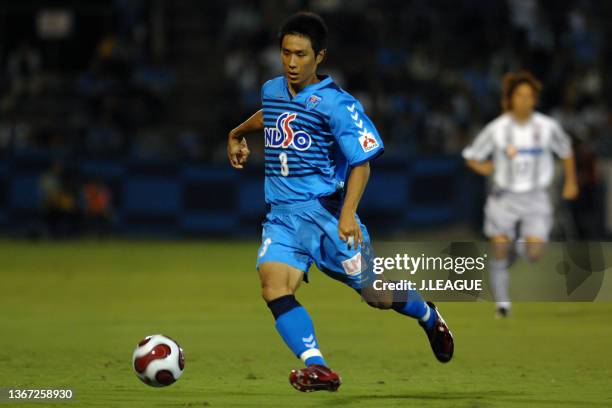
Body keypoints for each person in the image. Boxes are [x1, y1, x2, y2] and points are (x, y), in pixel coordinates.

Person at [227, 12, 453, 392]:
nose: (292, 63)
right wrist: (237, 132)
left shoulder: (338, 104)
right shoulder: (272, 88)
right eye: (286, 53)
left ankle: (428, 314)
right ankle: (318, 367)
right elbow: (274, 114)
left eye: (301, 54)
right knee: (273, 285)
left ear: (320, 57)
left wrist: (348, 213)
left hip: (327, 215)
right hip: (282, 217)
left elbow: (362, 162)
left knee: (376, 294)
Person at [462, 71, 579, 318]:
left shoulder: (547, 127)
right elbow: (471, 155)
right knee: (499, 248)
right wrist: (485, 167)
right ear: (511, 99)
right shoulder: (497, 129)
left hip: (536, 197)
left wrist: (571, 182)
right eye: (520, 95)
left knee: (534, 254)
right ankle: (503, 306)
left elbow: (566, 151)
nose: (525, 100)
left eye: (529, 95)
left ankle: (515, 247)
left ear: (535, 99)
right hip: (503, 198)